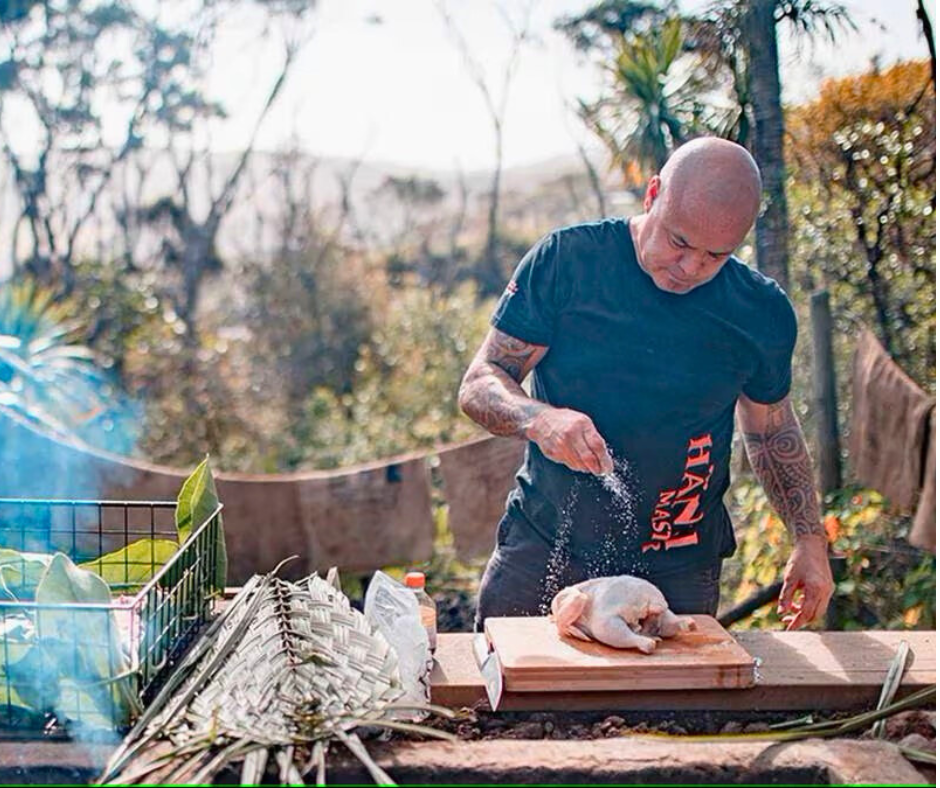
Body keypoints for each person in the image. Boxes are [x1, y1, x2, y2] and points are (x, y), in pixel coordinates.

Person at [458, 137, 834, 632]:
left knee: (665, 706)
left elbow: (772, 432)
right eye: (678, 242)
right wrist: (540, 420)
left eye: (715, 255)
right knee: (509, 695)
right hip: (547, 545)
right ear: (652, 194)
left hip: (680, 567)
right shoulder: (567, 262)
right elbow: (481, 382)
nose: (691, 268)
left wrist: (809, 539)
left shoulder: (760, 311)